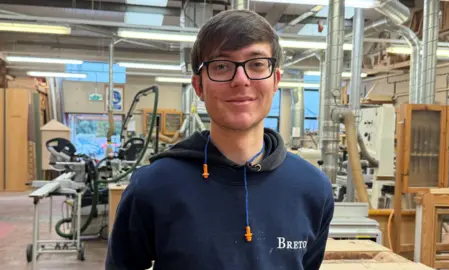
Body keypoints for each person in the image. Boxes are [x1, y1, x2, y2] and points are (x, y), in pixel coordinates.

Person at [106, 9, 334, 270]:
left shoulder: (312, 189)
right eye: (222, 66)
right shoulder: (152, 187)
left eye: (257, 64)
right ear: (199, 87)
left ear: (275, 80)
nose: (241, 80)